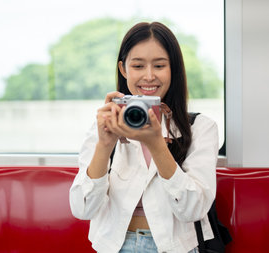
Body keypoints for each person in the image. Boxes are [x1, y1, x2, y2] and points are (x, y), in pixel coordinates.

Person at [69, 22, 219, 253]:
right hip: (114, 246)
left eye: (159, 65)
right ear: (123, 69)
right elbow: (83, 209)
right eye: (138, 65)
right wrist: (104, 146)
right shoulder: (104, 127)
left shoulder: (200, 128)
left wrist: (156, 145)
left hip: (176, 247)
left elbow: (192, 210)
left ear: (173, 69)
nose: (149, 76)